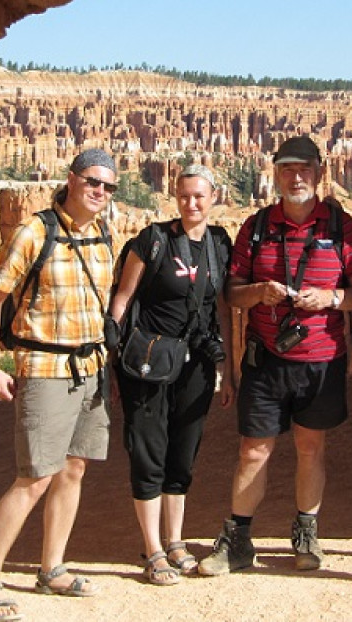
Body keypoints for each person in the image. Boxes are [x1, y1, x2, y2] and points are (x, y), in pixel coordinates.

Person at [198, 135, 352, 576]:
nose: (297, 177)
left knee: (311, 447)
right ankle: (238, 538)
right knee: (253, 451)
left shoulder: (340, 227)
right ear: (275, 174)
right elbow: (232, 294)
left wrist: (331, 299)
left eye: (305, 169)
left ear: (319, 172)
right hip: (266, 359)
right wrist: (259, 291)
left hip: (320, 358)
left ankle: (306, 531)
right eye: (287, 170)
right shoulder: (255, 227)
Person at [0, 149, 118, 621]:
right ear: (72, 180)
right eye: (93, 182)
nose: (100, 192)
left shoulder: (100, 233)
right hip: (45, 368)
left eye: (109, 186)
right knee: (34, 477)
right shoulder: (35, 231)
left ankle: (52, 568)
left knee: (74, 469)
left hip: (91, 367)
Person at [109, 164, 235, 586]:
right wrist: (112, 360)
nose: (191, 203)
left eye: (199, 196)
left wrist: (228, 367)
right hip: (148, 360)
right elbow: (123, 299)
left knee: (183, 450)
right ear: (175, 197)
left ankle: (176, 540)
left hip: (197, 362)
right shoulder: (154, 239)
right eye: (184, 196)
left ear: (213, 197)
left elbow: (224, 309)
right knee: (149, 449)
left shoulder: (219, 243)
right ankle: (153, 548)